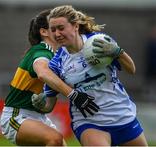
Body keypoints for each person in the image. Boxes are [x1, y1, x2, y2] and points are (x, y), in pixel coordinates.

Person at [40, 5, 148, 146]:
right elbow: (49, 105)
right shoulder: (56, 64)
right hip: (89, 121)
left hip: (122, 114)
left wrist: (117, 52)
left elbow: (131, 69)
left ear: (75, 26)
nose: (57, 34)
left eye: (61, 28)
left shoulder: (99, 42)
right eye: (53, 30)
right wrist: (40, 103)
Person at [0, 8, 99, 146]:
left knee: (58, 142)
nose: (59, 32)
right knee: (54, 139)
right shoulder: (42, 50)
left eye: (60, 27)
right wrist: (73, 95)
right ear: (44, 32)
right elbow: (43, 72)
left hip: (38, 116)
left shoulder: (60, 57)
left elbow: (49, 105)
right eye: (53, 28)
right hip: (16, 116)